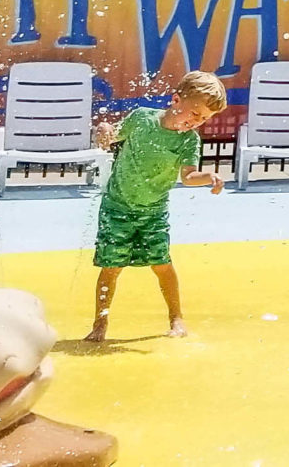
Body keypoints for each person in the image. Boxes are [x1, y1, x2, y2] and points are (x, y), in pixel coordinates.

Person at [86, 71, 227, 342]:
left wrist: (208, 177)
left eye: (204, 119)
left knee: (162, 265)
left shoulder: (188, 140)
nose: (196, 122)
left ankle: (176, 317)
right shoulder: (141, 119)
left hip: (153, 212)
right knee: (110, 268)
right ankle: (100, 323)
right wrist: (103, 132)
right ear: (176, 100)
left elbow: (187, 176)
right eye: (195, 113)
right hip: (117, 207)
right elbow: (111, 138)